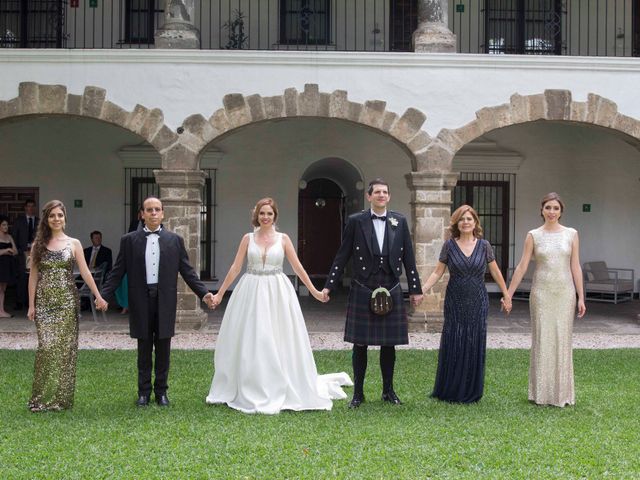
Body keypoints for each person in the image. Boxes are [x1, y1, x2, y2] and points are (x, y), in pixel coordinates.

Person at [206, 197, 352, 414]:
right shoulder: (247, 238)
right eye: (262, 213)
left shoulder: (283, 239)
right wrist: (219, 294)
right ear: (256, 215)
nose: (265, 217)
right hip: (251, 290)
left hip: (277, 291)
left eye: (269, 214)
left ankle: (281, 379)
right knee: (252, 336)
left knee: (277, 335)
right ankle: (251, 381)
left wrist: (315, 291)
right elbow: (236, 268)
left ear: (275, 216)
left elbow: (298, 267)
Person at [102, 196, 215, 407]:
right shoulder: (129, 240)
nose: (153, 213)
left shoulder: (174, 240)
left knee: (163, 347)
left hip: (165, 301)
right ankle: (143, 392)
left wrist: (204, 293)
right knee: (143, 347)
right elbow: (117, 272)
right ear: (142, 214)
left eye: (157, 209)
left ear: (163, 213)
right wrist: (103, 296)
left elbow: (187, 271)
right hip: (140, 301)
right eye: (149, 210)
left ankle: (161, 391)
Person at [322, 179, 423, 408]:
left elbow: (409, 257)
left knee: (389, 344)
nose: (381, 195)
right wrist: (329, 285)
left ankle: (388, 391)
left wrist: (415, 289)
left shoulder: (399, 221)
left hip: (391, 286)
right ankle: (358, 393)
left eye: (384, 192)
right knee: (360, 343)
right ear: (369, 196)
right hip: (363, 286)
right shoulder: (356, 221)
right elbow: (342, 255)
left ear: (389, 196)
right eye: (377, 192)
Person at [421, 205, 512, 403]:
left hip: (478, 300)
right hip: (455, 299)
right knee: (455, 340)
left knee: (473, 341)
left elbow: (495, 272)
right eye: (462, 219)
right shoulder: (449, 246)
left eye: (469, 219)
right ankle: (451, 388)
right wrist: (423, 290)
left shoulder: (484, 246)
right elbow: (438, 272)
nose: (465, 222)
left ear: (475, 222)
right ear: (456, 223)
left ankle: (471, 389)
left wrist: (506, 294)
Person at [27, 200, 108, 412]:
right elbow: (33, 277)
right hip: (44, 302)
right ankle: (39, 399)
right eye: (52, 215)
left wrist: (98, 296)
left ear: (65, 218)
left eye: (60, 215)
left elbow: (85, 272)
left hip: (67, 302)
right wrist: (31, 305)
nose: (56, 219)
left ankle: (60, 400)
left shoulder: (74, 244)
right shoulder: (38, 245)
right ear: (46, 219)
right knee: (45, 348)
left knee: (65, 350)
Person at [507, 192, 586, 407]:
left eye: (556, 208)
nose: (552, 212)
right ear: (541, 210)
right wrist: (509, 294)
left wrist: (581, 296)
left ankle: (562, 394)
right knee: (542, 339)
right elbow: (523, 266)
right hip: (541, 293)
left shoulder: (571, 234)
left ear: (561, 211)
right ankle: (540, 393)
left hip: (564, 293)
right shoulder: (533, 235)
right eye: (548, 207)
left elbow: (575, 266)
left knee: (562, 340)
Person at [115, 209, 143, 315]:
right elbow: (130, 238)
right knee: (123, 281)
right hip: (132, 257)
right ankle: (125, 305)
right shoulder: (134, 223)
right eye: (140, 212)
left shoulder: (150, 225)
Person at [12, 199, 39, 310]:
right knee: (21, 278)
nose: (31, 208)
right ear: (25, 208)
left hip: (35, 254)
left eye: (33, 206)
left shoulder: (39, 221)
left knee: (33, 277)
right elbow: (14, 237)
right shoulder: (19, 221)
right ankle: (19, 301)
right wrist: (19, 251)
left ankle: (30, 302)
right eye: (28, 206)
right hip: (22, 253)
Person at [0, 215, 19, 318]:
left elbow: (15, 251)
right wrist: (6, 250)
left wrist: (10, 251)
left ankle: (1, 310)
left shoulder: (9, 237)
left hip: (7, 265)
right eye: (3, 225)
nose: (6, 227)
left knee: (3, 288)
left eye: (7, 225)